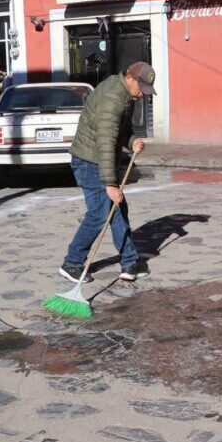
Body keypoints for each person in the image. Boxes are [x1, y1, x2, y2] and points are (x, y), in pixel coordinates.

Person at [60, 61, 155, 283]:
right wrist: (110, 184)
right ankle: (72, 263)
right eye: (141, 88)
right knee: (100, 214)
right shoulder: (113, 99)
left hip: (97, 160)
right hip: (90, 161)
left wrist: (132, 141)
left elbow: (120, 131)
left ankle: (130, 262)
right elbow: (105, 143)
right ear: (130, 78)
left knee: (118, 209)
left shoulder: (125, 94)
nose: (143, 94)